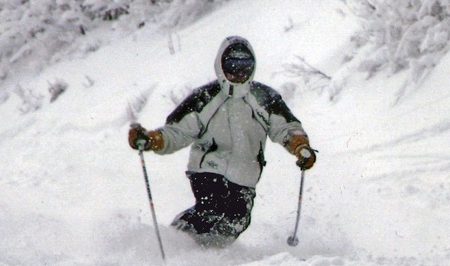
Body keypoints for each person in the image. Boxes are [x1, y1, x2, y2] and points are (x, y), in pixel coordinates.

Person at [128, 35, 316, 247]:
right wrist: (151, 140)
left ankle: (207, 257)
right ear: (220, 65)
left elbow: (286, 128)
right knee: (213, 207)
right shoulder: (205, 97)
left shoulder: (265, 98)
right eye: (232, 65)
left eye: (244, 66)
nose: (238, 72)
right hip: (207, 168)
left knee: (237, 220)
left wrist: (300, 147)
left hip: (245, 175)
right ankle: (175, 240)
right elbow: (177, 132)